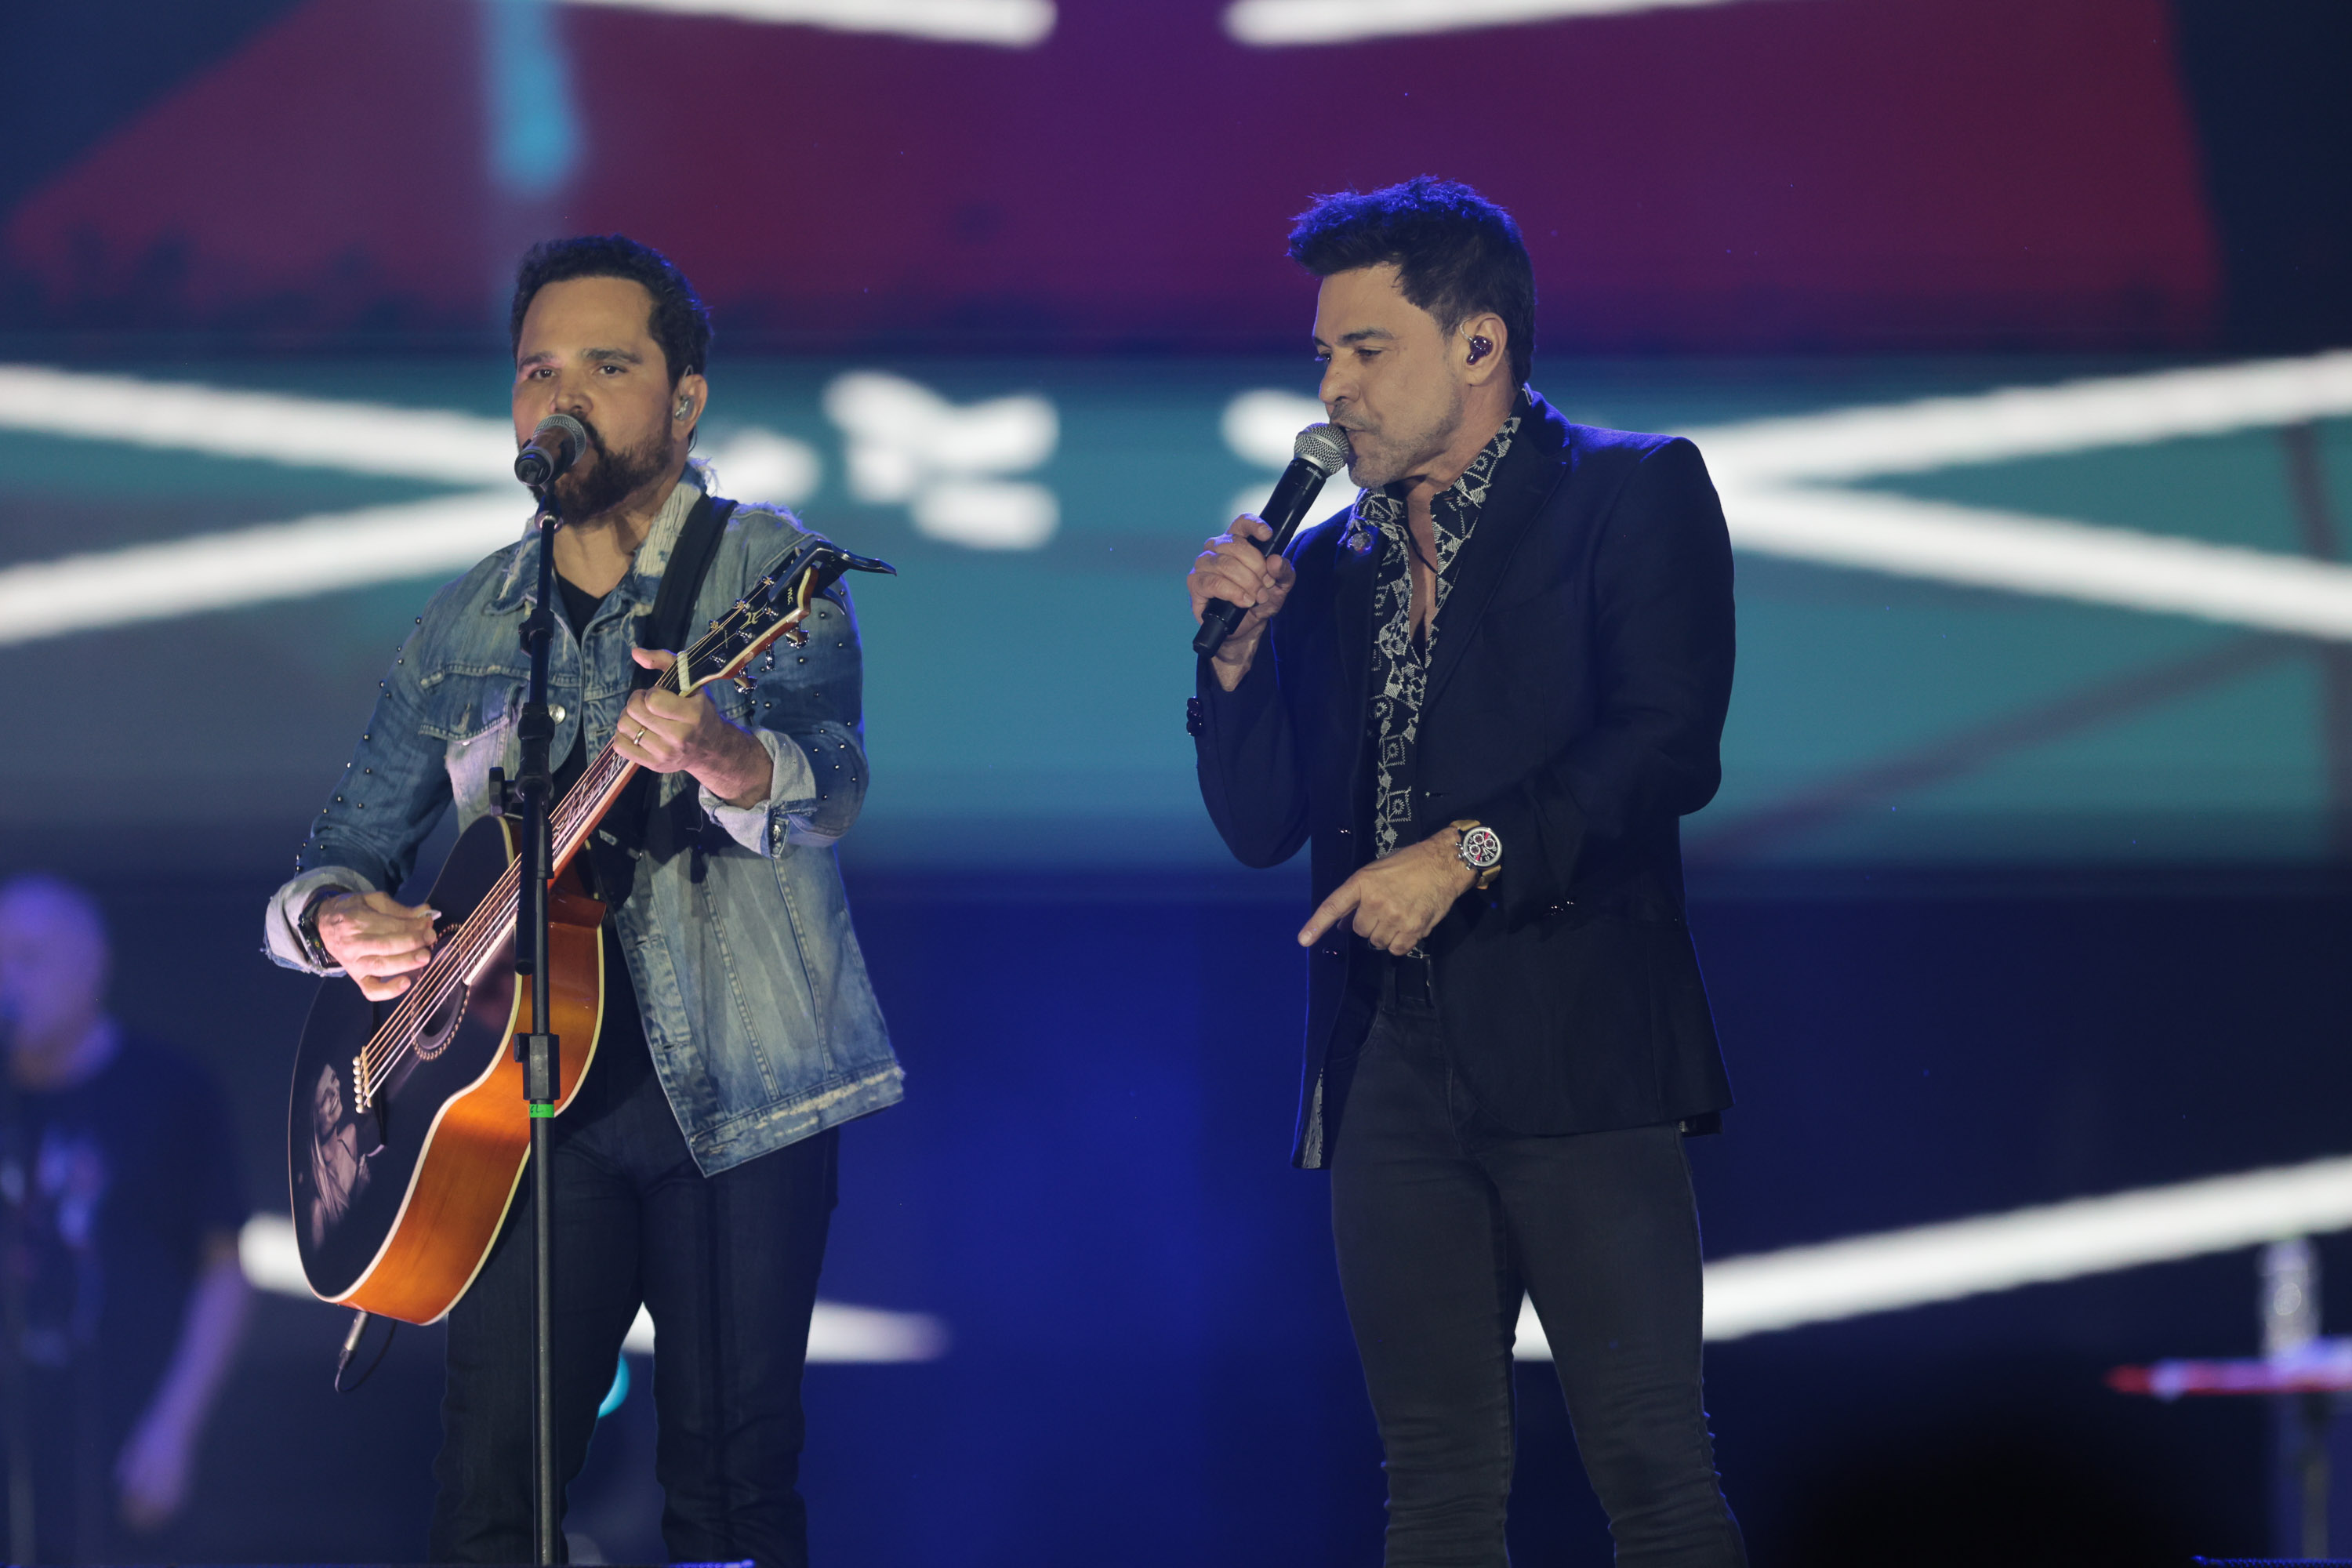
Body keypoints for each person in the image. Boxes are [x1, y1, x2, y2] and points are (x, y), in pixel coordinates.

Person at [260, 234, 902, 1567]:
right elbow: (339, 851)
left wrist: (731, 754)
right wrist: (335, 919)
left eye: (609, 365)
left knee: (732, 1493)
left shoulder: (765, 573)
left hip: (744, 1093)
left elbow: (830, 781)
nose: (565, 394)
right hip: (517, 1113)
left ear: (686, 398)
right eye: (539, 368)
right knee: (492, 1503)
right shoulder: (467, 623)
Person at [1185, 179, 1746, 1566]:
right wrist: (1236, 667)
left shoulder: (1632, 491)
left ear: (1480, 346)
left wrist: (1469, 851)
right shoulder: (1327, 569)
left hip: (1582, 1045)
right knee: (1434, 1478)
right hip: (1388, 1063)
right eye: (1323, 354)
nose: (1331, 389)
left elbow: (1667, 747)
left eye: (1365, 350)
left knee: (1652, 1470)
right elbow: (1259, 826)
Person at [0, 873, 252, 1565]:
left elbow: (225, 1273)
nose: (8, 981)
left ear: (94, 967)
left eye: (29, 957)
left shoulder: (170, 1090)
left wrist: (175, 1427)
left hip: (127, 1438)